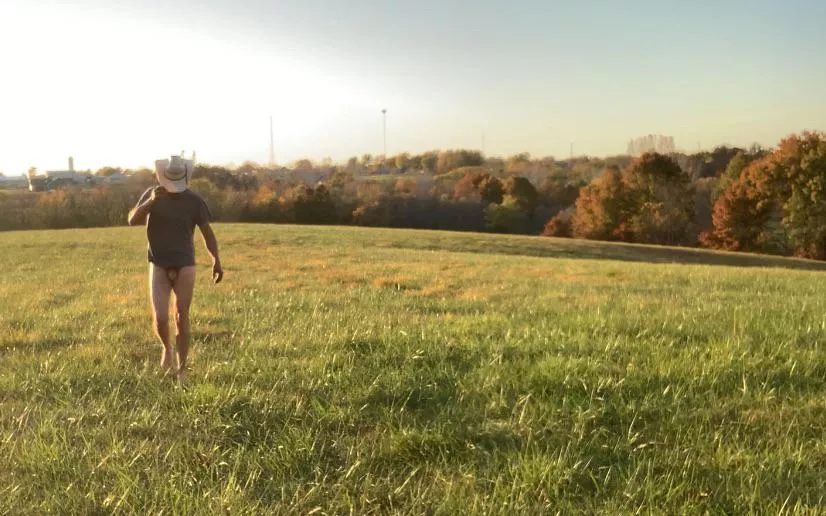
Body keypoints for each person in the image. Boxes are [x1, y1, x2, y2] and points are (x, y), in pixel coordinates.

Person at [127, 155, 223, 383]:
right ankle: (167, 348)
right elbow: (132, 220)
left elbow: (207, 233)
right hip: (158, 263)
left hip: (185, 264)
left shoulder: (195, 201)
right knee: (161, 318)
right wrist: (150, 202)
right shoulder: (152, 194)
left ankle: (183, 369)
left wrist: (216, 260)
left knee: (181, 315)